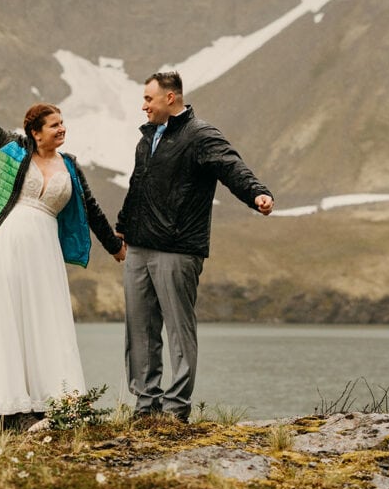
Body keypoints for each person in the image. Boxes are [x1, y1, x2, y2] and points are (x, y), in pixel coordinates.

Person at [0, 74, 126, 429]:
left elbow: (92, 208)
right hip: (5, 242)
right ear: (36, 132)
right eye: (55, 125)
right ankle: (13, 409)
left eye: (63, 123)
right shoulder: (15, 148)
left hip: (44, 250)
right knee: (10, 320)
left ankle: (53, 401)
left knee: (46, 319)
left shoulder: (70, 165)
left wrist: (113, 246)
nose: (62, 129)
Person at [116, 71, 274, 424]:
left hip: (178, 249)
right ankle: (145, 408)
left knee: (178, 331)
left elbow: (232, 166)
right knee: (139, 331)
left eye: (149, 100)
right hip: (139, 248)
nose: (143, 106)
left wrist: (256, 193)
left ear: (170, 98)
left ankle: (175, 410)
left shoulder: (201, 135)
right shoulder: (147, 140)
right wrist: (123, 228)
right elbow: (137, 188)